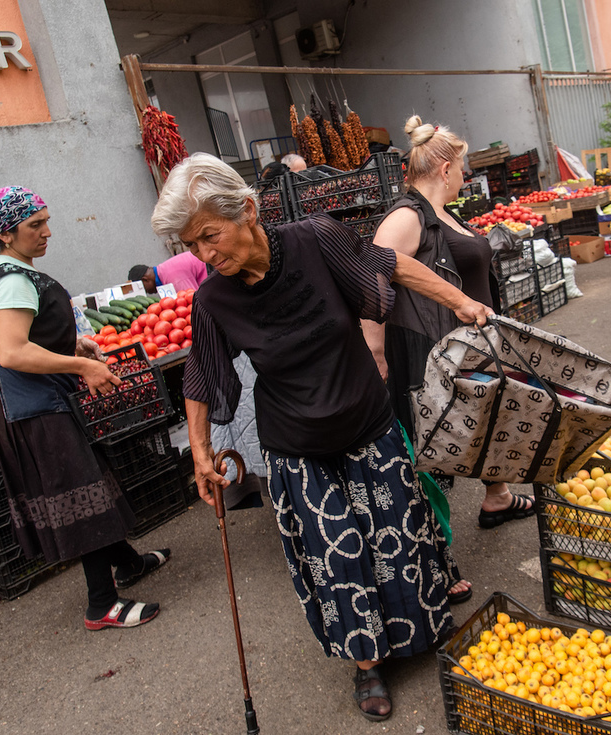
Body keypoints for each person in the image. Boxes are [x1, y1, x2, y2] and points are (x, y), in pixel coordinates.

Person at [151, 152, 493, 722]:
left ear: (249, 212)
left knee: (397, 537)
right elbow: (201, 373)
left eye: (211, 235)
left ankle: (423, 628)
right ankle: (367, 665)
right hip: (296, 443)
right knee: (338, 553)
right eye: (193, 245)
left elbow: (391, 265)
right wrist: (202, 455)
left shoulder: (316, 238)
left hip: (366, 420)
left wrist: (462, 302)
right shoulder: (214, 299)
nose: (206, 254)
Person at [0, 186, 169, 631]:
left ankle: (128, 563)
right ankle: (102, 605)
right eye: (34, 225)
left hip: (39, 401)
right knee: (79, 495)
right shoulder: (14, 280)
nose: (47, 232)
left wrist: (72, 343)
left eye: (45, 221)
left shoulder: (10, 273)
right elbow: (13, 351)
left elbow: (28, 339)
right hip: (35, 408)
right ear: (5, 234)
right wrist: (80, 364)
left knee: (89, 484)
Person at [364, 116, 540, 597]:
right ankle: (436, 558)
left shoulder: (445, 213)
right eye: (461, 165)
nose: (465, 174)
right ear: (445, 168)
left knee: (491, 418)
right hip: (429, 351)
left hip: (471, 345)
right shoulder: (406, 217)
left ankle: (497, 498)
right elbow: (372, 280)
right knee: (430, 450)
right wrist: (375, 350)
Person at [127, 251, 208, 294]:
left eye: (146, 290)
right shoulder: (164, 271)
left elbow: (194, 302)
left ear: (145, 280)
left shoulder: (173, 279)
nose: (149, 293)